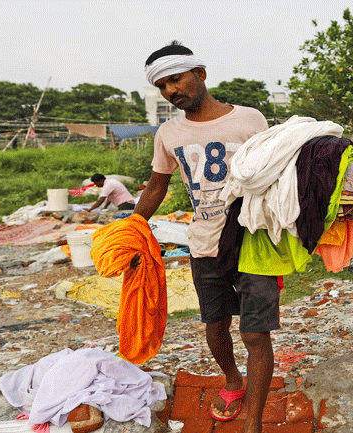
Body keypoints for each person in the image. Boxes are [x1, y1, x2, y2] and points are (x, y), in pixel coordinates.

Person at [133, 41, 276, 433]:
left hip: (254, 241)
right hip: (203, 242)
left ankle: (253, 423)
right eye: (162, 86)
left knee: (254, 332)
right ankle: (233, 381)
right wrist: (130, 230)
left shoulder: (249, 119)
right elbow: (156, 187)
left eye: (175, 79)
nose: (170, 91)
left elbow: (277, 172)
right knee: (215, 324)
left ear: (200, 73)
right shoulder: (168, 133)